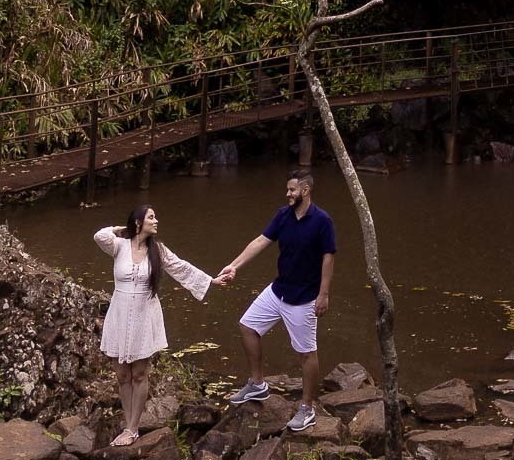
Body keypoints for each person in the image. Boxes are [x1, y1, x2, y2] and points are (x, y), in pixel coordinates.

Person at [218, 169, 336, 432]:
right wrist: (234, 265)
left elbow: (328, 257)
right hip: (278, 290)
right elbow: (261, 241)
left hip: (304, 298)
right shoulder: (283, 215)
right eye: (287, 189)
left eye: (292, 190)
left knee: (306, 353)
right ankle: (258, 384)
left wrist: (324, 294)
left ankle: (307, 408)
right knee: (247, 326)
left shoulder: (322, 221)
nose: (288, 194)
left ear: (305, 190)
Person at [94, 204, 219, 445]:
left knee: (139, 374)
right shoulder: (119, 246)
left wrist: (210, 281)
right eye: (151, 217)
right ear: (138, 222)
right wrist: (121, 229)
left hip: (144, 314)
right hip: (119, 313)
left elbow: (181, 267)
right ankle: (127, 423)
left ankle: (133, 428)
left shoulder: (158, 250)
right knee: (122, 375)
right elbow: (99, 236)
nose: (156, 221)